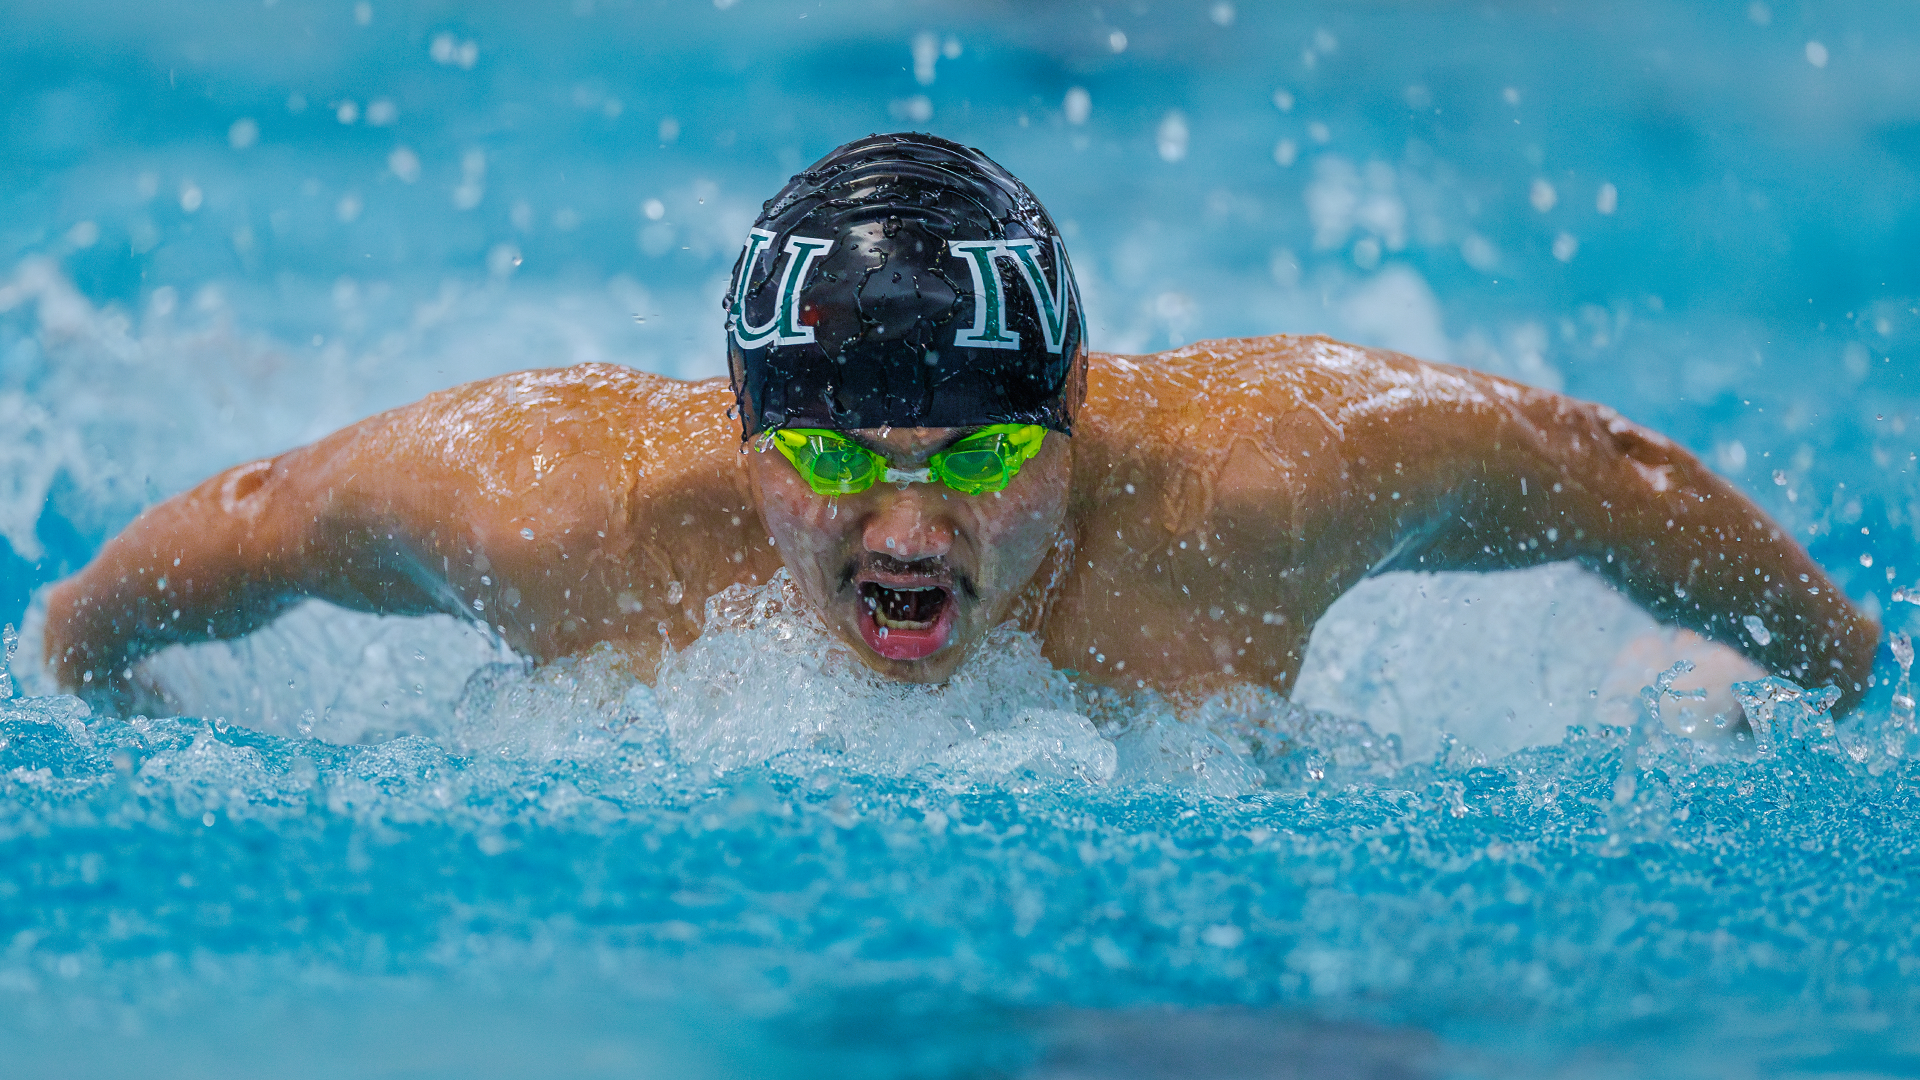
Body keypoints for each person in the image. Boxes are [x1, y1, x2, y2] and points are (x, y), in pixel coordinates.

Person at [41, 133, 1878, 723]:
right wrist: (65, 660)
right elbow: (276, 509)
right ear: (742, 433)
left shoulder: (1268, 477)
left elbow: (1600, 475)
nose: (907, 529)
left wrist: (1845, 663)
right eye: (839, 457)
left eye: (981, 455)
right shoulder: (555, 512)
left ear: (1077, 418)